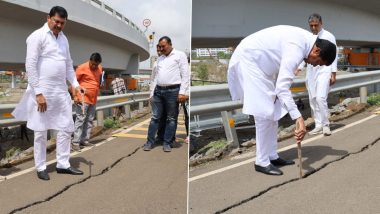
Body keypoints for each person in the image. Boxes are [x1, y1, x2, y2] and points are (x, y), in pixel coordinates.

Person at [228, 25, 336, 176]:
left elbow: (282, 85)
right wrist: (299, 118)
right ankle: (261, 161)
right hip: (250, 60)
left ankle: (272, 155)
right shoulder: (297, 49)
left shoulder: (306, 43)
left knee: (274, 111)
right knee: (264, 113)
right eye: (318, 62)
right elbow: (282, 89)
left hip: (265, 67)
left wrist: (296, 116)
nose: (314, 65)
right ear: (316, 51)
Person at [12, 6, 84, 180]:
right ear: (48, 18)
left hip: (60, 90)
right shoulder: (37, 36)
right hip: (43, 89)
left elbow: (68, 65)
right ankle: (41, 166)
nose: (59, 25)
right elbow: (30, 65)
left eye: (62, 23)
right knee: (41, 130)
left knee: (66, 126)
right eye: (56, 21)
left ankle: (63, 163)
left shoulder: (64, 39)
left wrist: (75, 84)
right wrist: (38, 93)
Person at [144, 36, 190, 152]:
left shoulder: (180, 55)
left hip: (173, 91)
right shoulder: (160, 59)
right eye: (159, 46)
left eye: (163, 46)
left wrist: (182, 92)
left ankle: (167, 142)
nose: (161, 49)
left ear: (170, 44)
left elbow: (185, 75)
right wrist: (151, 93)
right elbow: (155, 78)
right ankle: (149, 142)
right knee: (155, 118)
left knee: (171, 118)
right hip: (159, 91)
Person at [298, 13, 338, 136]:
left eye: (316, 25)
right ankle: (318, 124)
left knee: (321, 98)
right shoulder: (308, 37)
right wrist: (299, 67)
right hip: (311, 70)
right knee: (313, 99)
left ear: (321, 23)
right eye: (312, 25)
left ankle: (326, 125)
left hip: (324, 69)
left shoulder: (329, 36)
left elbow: (334, 55)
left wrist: (333, 73)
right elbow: (304, 54)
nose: (314, 28)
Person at [71, 53, 103, 151]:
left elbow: (98, 81)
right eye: (92, 64)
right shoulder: (82, 68)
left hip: (93, 98)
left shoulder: (99, 68)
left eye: (96, 65)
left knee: (89, 119)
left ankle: (84, 140)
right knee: (80, 119)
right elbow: (74, 82)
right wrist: (75, 96)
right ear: (89, 60)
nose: (94, 66)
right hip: (83, 98)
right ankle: (75, 142)